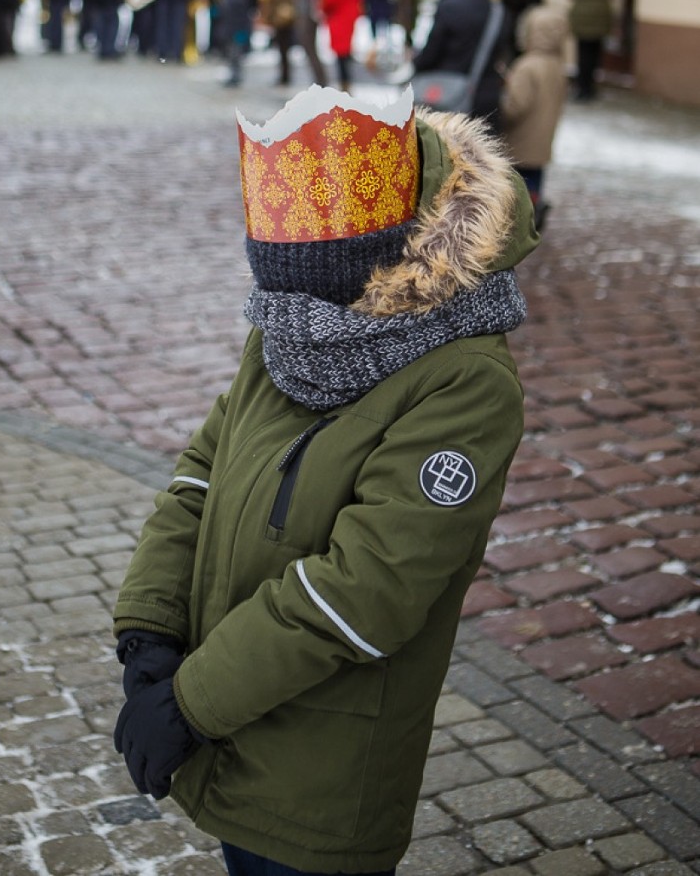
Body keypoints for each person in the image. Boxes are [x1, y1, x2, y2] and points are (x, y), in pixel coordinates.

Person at [111, 84, 538, 876]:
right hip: (229, 719)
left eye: (304, 289)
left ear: (363, 270)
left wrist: (191, 701)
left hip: (326, 765)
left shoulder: (465, 380)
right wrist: (151, 627)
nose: (283, 307)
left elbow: (366, 588)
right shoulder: (295, 320)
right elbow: (203, 472)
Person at [412, 0, 505, 134]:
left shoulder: (449, 6)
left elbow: (431, 53)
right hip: (484, 96)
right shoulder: (497, 10)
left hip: (445, 95)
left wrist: (416, 62)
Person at [500, 3, 569, 232]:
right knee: (535, 185)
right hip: (541, 142)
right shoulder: (557, 66)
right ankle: (534, 214)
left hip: (519, 142)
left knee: (518, 191)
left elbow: (514, 107)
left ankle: (523, 224)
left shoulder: (526, 67)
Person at [564, 0, 617, 101]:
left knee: (582, 51)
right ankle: (590, 87)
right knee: (595, 52)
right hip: (601, 12)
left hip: (580, 11)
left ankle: (581, 87)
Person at [255, 0, 297, 86]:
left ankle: (285, 76)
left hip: (285, 13)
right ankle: (284, 75)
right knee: (280, 46)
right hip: (276, 13)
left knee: (284, 46)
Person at [214, 0, 255, 87]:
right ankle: (232, 75)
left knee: (235, 56)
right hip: (227, 32)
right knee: (230, 56)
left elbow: (243, 19)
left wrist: (243, 33)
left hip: (237, 32)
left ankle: (235, 76)